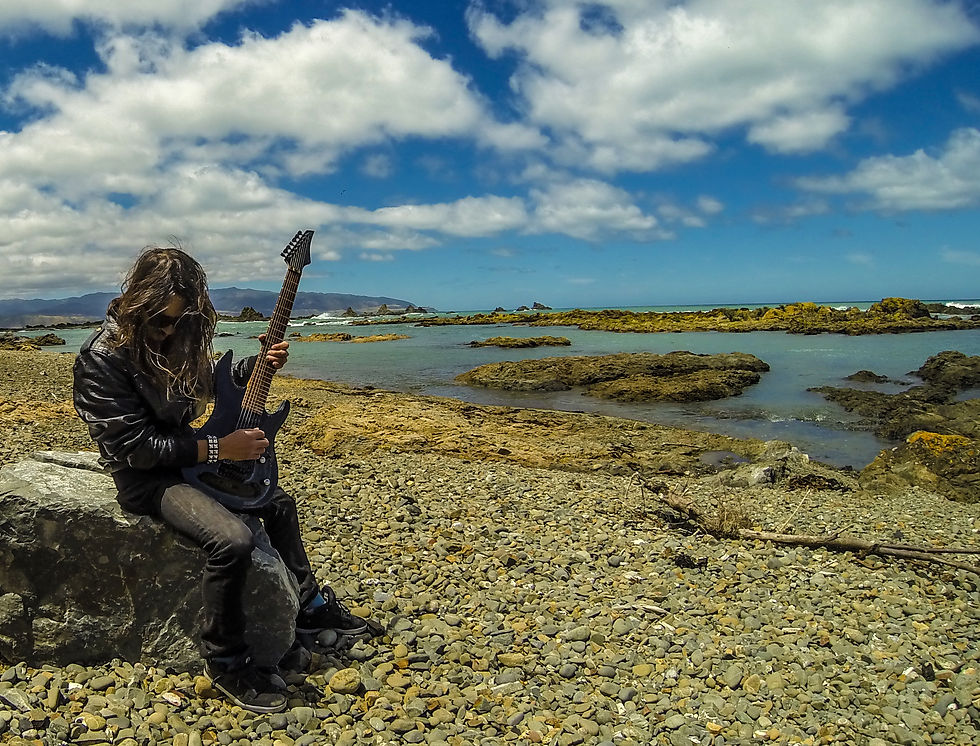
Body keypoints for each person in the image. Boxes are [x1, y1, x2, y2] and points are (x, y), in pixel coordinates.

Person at [72, 246, 366, 714]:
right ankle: (226, 661)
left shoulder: (177, 338)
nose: (169, 331)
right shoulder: (101, 358)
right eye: (160, 321)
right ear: (136, 304)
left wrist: (257, 367)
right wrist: (218, 449)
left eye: (179, 321)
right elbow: (134, 448)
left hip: (191, 458)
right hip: (146, 475)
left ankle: (308, 606)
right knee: (230, 539)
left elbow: (210, 382)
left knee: (277, 503)